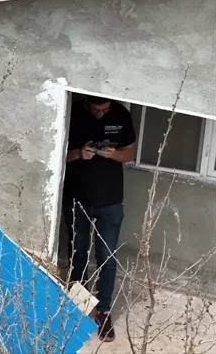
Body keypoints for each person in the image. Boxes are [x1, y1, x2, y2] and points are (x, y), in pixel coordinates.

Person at [64, 94, 137, 343]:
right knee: (78, 253)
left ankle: (103, 312)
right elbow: (54, 155)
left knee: (106, 258)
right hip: (77, 199)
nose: (100, 114)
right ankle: (78, 308)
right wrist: (78, 154)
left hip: (111, 202)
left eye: (104, 111)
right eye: (95, 110)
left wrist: (112, 154)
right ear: (86, 101)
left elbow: (129, 154)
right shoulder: (71, 112)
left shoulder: (121, 114)